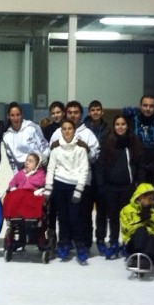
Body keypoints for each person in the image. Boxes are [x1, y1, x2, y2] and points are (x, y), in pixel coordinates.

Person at [50, 101, 100, 249]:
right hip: (62, 181)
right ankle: (66, 242)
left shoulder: (88, 133)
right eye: (70, 112)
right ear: (66, 113)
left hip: (82, 181)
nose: (73, 115)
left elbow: (95, 156)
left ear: (81, 114)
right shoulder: (58, 133)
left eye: (76, 112)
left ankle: (84, 243)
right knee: (64, 215)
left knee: (83, 214)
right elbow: (51, 155)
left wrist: (87, 149)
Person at [42, 118, 91, 264]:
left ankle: (80, 246)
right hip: (59, 185)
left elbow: (84, 169)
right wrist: (49, 187)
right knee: (62, 218)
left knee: (75, 218)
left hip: (74, 186)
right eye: (64, 129)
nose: (67, 131)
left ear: (74, 130)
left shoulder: (81, 148)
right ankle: (64, 243)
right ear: (61, 131)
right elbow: (51, 168)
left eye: (70, 128)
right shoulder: (56, 147)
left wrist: (79, 189)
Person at [94, 113, 141, 259]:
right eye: (117, 124)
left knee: (127, 217)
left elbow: (139, 164)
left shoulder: (133, 141)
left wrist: (138, 183)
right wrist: (101, 184)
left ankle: (127, 242)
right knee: (113, 217)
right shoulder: (108, 141)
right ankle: (114, 241)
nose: (120, 127)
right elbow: (100, 164)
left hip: (128, 187)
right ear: (114, 126)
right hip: (111, 187)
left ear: (127, 126)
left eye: (123, 124)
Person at [120, 182, 154, 269]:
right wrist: (141, 220)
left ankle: (146, 260)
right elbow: (127, 228)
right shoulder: (127, 210)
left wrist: (151, 219)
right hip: (133, 243)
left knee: (153, 238)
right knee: (141, 230)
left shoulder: (153, 212)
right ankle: (137, 256)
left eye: (153, 199)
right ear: (141, 197)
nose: (152, 201)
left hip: (150, 245)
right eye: (150, 199)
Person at [1, 101, 49, 172]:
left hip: (38, 168)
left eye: (18, 115)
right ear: (8, 116)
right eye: (12, 115)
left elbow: (44, 146)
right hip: (22, 170)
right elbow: (11, 160)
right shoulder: (6, 136)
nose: (15, 118)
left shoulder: (32, 127)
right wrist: (17, 175)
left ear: (22, 115)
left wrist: (44, 157)